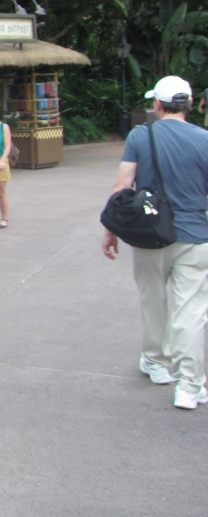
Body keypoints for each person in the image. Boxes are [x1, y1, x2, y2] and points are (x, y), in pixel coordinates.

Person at [102, 76, 208, 410]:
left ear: (158, 105)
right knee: (190, 310)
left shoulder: (140, 135)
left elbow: (122, 185)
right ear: (190, 105)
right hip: (196, 235)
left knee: (153, 299)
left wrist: (111, 229)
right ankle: (190, 386)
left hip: (151, 233)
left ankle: (157, 362)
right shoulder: (205, 139)